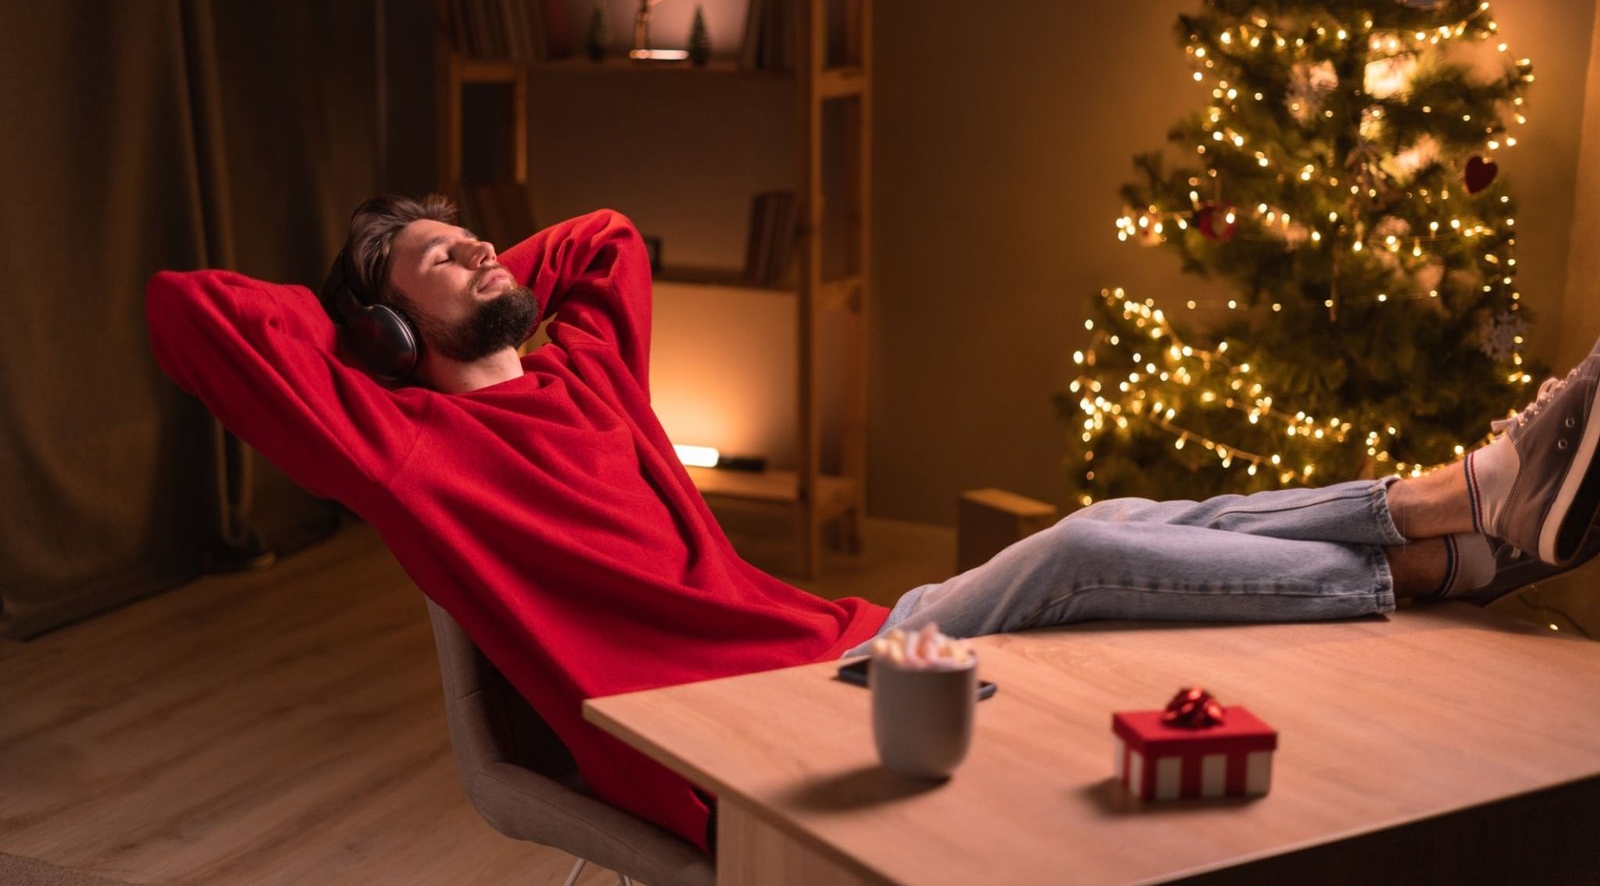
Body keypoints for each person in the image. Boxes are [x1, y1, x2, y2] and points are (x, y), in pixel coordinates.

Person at [145, 194, 1600, 852]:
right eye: (440, 258)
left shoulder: (588, 368)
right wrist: (376, 338)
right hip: (738, 724)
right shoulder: (411, 442)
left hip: (835, 649)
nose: (476, 250)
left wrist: (468, 278)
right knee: (1091, 546)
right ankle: (1457, 521)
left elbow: (604, 237)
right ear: (389, 326)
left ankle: (1453, 530)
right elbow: (195, 313)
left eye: (474, 234)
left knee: (1140, 517)